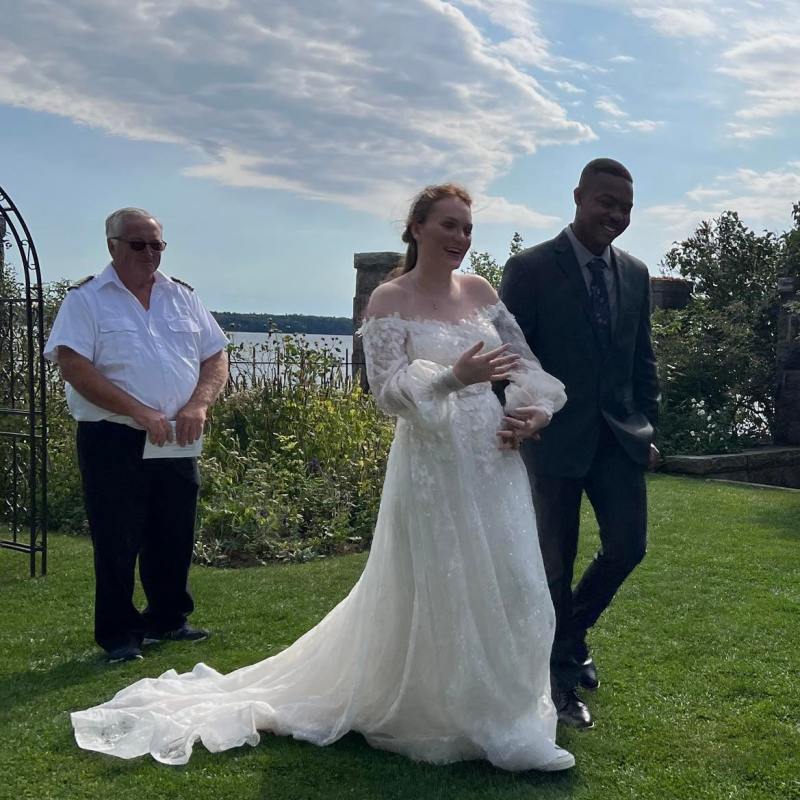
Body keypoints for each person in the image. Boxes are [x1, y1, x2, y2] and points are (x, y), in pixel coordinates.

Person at [70, 184, 575, 772]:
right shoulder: (389, 300)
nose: (461, 239)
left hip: (492, 453)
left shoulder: (482, 292)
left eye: (467, 228)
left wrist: (534, 411)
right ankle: (451, 713)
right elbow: (386, 394)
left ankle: (509, 712)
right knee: (443, 579)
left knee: (511, 578)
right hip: (433, 462)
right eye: (449, 226)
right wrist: (448, 379)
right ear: (416, 228)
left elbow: (525, 366)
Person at [499, 158, 660, 729]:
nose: (616, 215)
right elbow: (510, 357)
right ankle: (557, 682)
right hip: (552, 439)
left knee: (628, 547)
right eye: (606, 203)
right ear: (578, 197)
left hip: (619, 437)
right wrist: (519, 419)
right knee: (553, 564)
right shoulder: (531, 268)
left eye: (626, 208)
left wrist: (648, 427)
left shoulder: (636, 273)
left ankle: (568, 638)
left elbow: (642, 357)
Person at [45, 207, 229, 664]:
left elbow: (216, 356)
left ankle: (169, 618)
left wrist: (198, 404)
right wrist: (138, 410)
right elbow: (73, 365)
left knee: (174, 531)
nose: (149, 254)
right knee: (117, 537)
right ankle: (120, 634)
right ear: (112, 245)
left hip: (176, 436)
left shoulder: (183, 297)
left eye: (156, 245)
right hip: (113, 436)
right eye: (138, 244)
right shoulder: (87, 300)